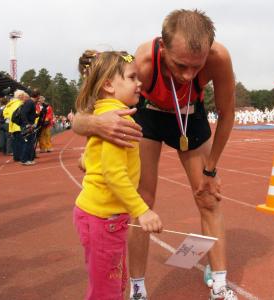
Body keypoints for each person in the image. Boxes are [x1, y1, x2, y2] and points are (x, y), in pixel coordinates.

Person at [73, 9, 236, 300]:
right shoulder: (144, 62)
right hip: (149, 116)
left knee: (208, 196)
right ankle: (137, 287)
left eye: (196, 67)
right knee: (142, 199)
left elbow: (226, 114)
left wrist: (210, 170)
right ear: (163, 48)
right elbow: (87, 112)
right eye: (180, 65)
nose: (188, 76)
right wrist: (94, 129)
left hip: (189, 116)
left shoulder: (219, 58)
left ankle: (220, 284)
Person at [73, 50, 163, 300]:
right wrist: (142, 210)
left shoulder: (101, 114)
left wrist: (87, 160)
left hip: (99, 215)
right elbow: (114, 175)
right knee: (107, 289)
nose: (139, 84)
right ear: (109, 85)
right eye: (132, 77)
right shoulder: (120, 120)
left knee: (112, 280)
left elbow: (98, 157)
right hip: (104, 219)